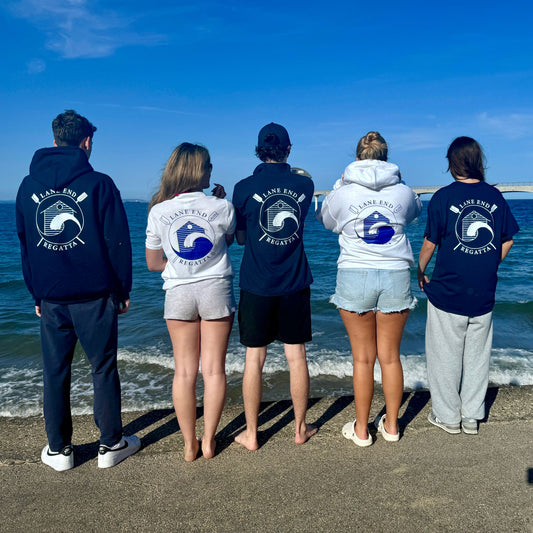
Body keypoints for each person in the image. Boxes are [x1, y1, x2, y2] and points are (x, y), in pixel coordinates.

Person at [16, 110, 140, 471]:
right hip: (95, 296)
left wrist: (36, 294)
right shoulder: (100, 184)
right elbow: (118, 243)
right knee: (103, 368)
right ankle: (111, 444)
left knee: (55, 371)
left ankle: (59, 451)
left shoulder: (27, 186)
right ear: (86, 142)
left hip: (52, 298)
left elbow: (26, 245)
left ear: (55, 140)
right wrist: (123, 290)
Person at [317, 131, 421, 446]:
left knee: (362, 359)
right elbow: (415, 212)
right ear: (386, 158)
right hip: (395, 274)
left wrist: (339, 187)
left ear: (357, 157)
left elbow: (326, 220)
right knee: (390, 357)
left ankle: (362, 430)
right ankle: (392, 425)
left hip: (355, 274)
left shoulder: (344, 191)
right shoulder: (403, 191)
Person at [418, 136, 519, 435]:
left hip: (447, 291)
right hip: (483, 291)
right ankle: (472, 416)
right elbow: (508, 240)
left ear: (452, 163)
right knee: (477, 357)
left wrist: (420, 271)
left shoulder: (442, 197)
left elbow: (430, 243)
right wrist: (488, 264)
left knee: (444, 357)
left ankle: (448, 417)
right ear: (477, 161)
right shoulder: (495, 197)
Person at [145, 143, 235, 461]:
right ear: (200, 170)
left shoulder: (158, 211)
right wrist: (220, 201)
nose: (211, 170)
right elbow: (227, 240)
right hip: (216, 289)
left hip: (179, 293)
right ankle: (209, 441)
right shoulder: (222, 207)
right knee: (214, 371)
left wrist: (180, 266)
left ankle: (188, 444)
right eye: (209, 165)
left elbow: (153, 263)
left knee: (184, 373)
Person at [232, 123, 317, 450]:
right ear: (288, 149)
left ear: (258, 150)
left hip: (256, 282)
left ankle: (252, 434)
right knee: (296, 356)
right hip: (294, 281)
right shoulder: (305, 185)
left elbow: (241, 239)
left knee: (254, 359)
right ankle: (299, 428)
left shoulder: (243, 188)